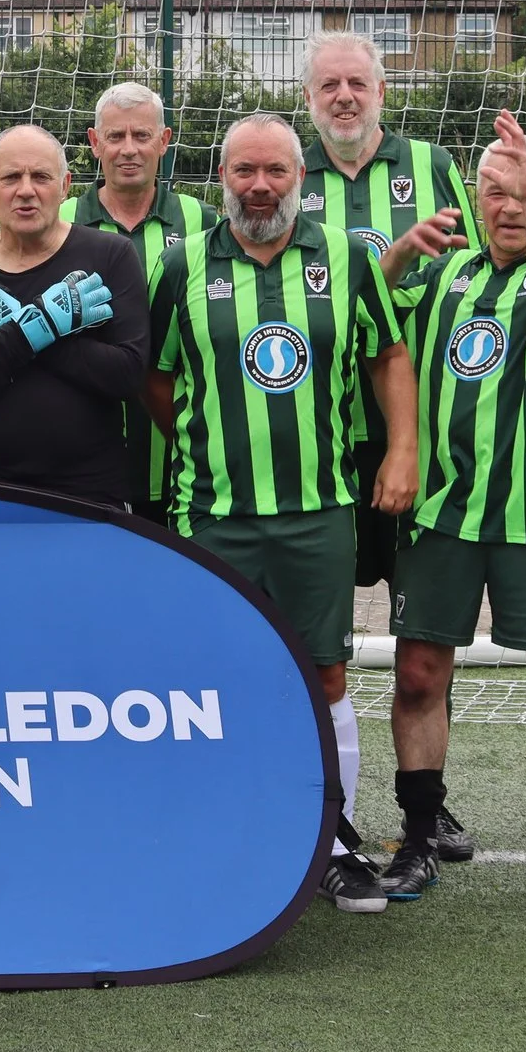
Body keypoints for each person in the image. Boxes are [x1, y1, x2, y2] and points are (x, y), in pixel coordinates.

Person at [144, 113, 416, 914]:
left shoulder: (348, 257)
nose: (260, 186)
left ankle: (332, 843)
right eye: (244, 171)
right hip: (211, 512)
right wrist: (205, 439)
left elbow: (389, 354)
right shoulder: (180, 264)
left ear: (301, 177)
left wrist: (402, 449)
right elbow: (156, 377)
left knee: (324, 672)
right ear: (221, 176)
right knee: (215, 675)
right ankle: (227, 834)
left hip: (319, 511)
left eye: (275, 171)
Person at [374, 112, 526, 911]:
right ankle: (417, 836)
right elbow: (369, 313)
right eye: (494, 191)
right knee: (418, 675)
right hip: (440, 514)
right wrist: (400, 249)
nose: (507, 206)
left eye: (525, 192)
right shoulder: (443, 274)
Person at [301, 28, 484, 863]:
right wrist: (396, 262)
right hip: (320, 440)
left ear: (382, 90)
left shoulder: (433, 167)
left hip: (422, 437)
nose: (344, 96)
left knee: (422, 647)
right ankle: (311, 799)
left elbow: (476, 280)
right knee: (313, 643)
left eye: (357, 83)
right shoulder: (285, 175)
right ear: (309, 99)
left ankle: (426, 805)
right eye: (329, 85)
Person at [0, 125, 148, 505]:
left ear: (64, 186)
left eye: (41, 177)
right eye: (11, 177)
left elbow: (128, 374)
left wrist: (21, 327)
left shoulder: (111, 255)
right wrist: (38, 327)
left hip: (91, 494)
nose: (26, 190)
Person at [59, 82, 216, 518]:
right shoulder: (62, 220)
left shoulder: (202, 220)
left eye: (142, 135)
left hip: (182, 453)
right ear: (95, 143)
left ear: (164, 141)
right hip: (82, 455)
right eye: (116, 136)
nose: (128, 149)